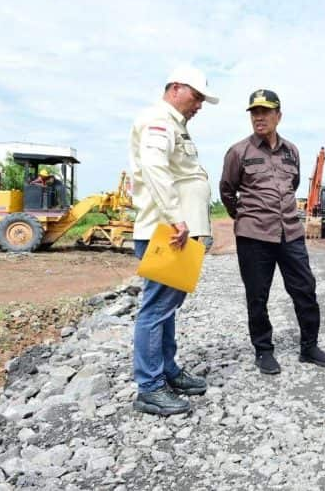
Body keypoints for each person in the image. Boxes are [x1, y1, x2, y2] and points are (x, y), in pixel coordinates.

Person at [219, 89, 325, 375]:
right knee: (257, 295)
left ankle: (309, 347)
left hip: (290, 233)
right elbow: (226, 190)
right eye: (254, 112)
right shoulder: (238, 152)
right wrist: (246, 216)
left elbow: (292, 185)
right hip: (254, 235)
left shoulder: (291, 151)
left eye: (265, 112)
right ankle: (264, 350)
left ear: (278, 116)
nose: (259, 117)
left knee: (305, 290)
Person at [128, 65, 219, 415]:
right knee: (155, 310)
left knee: (167, 309)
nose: (198, 106)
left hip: (178, 231)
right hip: (167, 232)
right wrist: (176, 217)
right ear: (176, 88)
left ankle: (167, 371)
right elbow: (154, 166)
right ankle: (150, 387)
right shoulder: (158, 120)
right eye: (196, 97)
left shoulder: (175, 125)